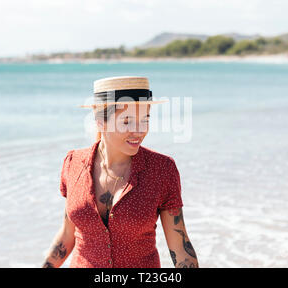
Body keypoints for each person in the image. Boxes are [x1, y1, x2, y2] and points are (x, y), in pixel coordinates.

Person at [42, 76, 198, 268]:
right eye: (127, 121)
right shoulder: (73, 163)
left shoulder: (162, 170)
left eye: (145, 119)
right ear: (100, 121)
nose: (139, 131)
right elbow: (67, 235)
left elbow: (181, 250)